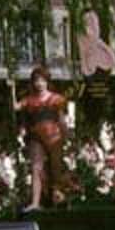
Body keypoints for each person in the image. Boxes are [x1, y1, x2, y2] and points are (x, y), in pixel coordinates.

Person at [13, 66, 70, 211]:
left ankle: (57, 196)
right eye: (36, 80)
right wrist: (11, 88)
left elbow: (62, 119)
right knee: (36, 167)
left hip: (54, 135)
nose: (39, 83)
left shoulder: (56, 99)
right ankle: (35, 202)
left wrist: (66, 135)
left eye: (42, 80)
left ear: (47, 82)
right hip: (36, 136)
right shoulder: (29, 100)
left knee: (55, 167)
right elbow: (16, 107)